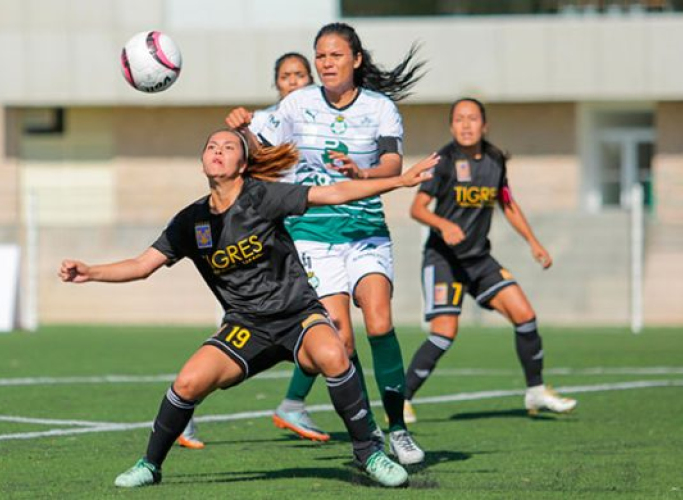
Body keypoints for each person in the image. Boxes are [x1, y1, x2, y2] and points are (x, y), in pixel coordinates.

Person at [58, 128, 438, 488]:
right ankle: (150, 465)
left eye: (228, 146)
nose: (218, 151)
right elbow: (142, 265)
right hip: (246, 327)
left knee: (332, 353)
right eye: (211, 147)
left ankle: (369, 454)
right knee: (187, 383)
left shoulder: (262, 196)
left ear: (242, 164)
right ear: (203, 162)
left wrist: (399, 181)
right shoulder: (191, 221)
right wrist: (91, 271)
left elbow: (335, 193)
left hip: (297, 316)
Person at [226, 22, 426, 465]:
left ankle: (398, 430)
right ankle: (366, 432)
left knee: (378, 322)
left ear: (355, 60)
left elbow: (392, 161)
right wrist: (243, 130)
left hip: (365, 230)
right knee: (340, 344)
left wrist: (363, 172)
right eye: (320, 56)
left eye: (335, 55)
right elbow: (263, 153)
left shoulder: (380, 108)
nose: (326, 63)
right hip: (313, 235)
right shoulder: (297, 104)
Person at [402, 98, 578, 422]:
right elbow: (417, 208)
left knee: (525, 315)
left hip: (479, 259)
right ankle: (401, 399)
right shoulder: (443, 161)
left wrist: (534, 242)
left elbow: (507, 204)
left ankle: (535, 390)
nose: (466, 125)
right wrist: (444, 225)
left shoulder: (496, 160)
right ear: (451, 126)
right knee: (444, 333)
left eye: (472, 119)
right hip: (444, 260)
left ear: (485, 125)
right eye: (459, 119)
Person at [177, 52, 314, 451]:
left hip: (316, 231)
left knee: (330, 332)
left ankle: (295, 403)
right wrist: (248, 133)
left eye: (300, 75)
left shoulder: (323, 119)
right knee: (244, 334)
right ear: (277, 84)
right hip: (275, 232)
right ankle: (187, 406)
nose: (294, 82)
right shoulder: (264, 122)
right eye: (286, 76)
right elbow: (257, 172)